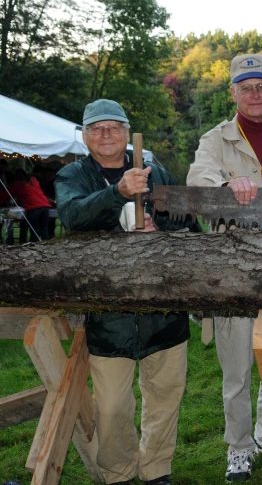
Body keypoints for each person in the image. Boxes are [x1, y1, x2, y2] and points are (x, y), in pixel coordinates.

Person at [55, 99, 199, 485]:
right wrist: (118, 192)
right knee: (113, 406)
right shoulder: (74, 176)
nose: (106, 135)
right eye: (97, 129)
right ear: (85, 136)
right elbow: (72, 215)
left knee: (165, 396)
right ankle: (118, 472)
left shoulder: (156, 172)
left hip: (162, 309)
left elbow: (188, 223)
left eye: (114, 127)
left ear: (126, 131)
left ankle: (156, 470)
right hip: (110, 315)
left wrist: (160, 226)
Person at [187, 53, 262, 482]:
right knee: (237, 368)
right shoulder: (215, 140)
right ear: (233, 92)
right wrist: (224, 184)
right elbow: (197, 178)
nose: (255, 94)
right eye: (246, 87)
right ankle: (238, 446)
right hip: (236, 268)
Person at [0, 169, 51, 242]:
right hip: (45, 206)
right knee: (44, 229)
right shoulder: (33, 179)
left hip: (33, 208)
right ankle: (46, 245)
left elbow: (5, 195)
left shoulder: (18, 184)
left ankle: (35, 246)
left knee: (34, 230)